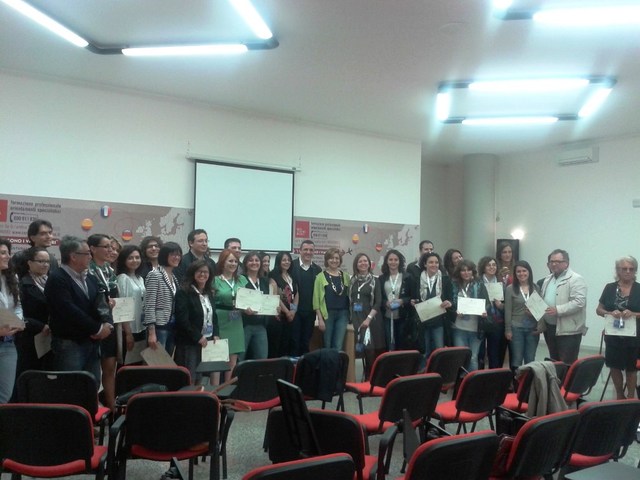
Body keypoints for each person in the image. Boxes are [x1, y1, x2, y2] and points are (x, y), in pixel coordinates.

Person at [44, 236, 113, 387]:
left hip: (92, 342)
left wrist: (108, 323)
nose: (90, 257)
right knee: (70, 387)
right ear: (73, 256)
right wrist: (97, 329)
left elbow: (102, 303)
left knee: (92, 385)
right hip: (70, 343)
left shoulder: (90, 278)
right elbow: (69, 310)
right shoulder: (57, 278)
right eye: (87, 253)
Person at [596, 256, 640, 399]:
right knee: (614, 366)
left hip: (634, 336)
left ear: (635, 271)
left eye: (631, 269)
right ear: (618, 270)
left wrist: (633, 314)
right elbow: (599, 310)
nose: (628, 271)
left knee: (631, 368)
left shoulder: (639, 289)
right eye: (624, 269)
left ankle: (631, 397)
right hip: (613, 334)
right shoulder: (609, 288)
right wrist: (609, 313)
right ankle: (620, 396)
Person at [87, 234, 118, 412]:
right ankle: (93, 408)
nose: (110, 250)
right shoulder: (88, 270)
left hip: (110, 322)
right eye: (106, 247)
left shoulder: (109, 269)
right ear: (92, 249)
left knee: (110, 367)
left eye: (111, 247)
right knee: (93, 371)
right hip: (94, 325)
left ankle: (112, 407)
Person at [174, 260, 219, 383]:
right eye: (199, 271)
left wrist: (216, 333)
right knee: (190, 377)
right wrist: (198, 337)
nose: (203, 274)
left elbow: (214, 315)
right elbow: (182, 319)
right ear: (192, 273)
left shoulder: (208, 292)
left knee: (202, 377)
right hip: (190, 342)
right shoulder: (184, 292)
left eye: (206, 272)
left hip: (207, 340)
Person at [540, 249, 587, 364]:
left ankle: (567, 377)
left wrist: (558, 309)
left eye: (557, 261)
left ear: (566, 263)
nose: (554, 264)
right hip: (550, 327)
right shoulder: (548, 279)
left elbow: (579, 302)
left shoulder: (576, 279)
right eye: (551, 261)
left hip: (568, 330)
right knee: (554, 361)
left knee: (567, 363)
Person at [15, 247, 52, 389]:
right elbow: (18, 314)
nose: (45, 265)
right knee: (30, 376)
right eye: (40, 261)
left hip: (51, 336)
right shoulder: (22, 284)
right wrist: (39, 326)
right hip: (29, 336)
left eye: (47, 261)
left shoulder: (52, 281)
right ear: (29, 263)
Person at [409, 252, 453, 361]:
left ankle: (438, 370)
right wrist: (412, 301)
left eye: (436, 262)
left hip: (439, 321)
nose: (434, 265)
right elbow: (413, 297)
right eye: (431, 262)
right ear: (425, 264)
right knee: (425, 351)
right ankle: (425, 371)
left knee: (439, 350)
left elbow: (450, 298)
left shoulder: (445, 279)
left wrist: (449, 302)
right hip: (423, 321)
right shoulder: (417, 279)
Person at [214, 249, 248, 380]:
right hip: (220, 319)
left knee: (232, 360)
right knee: (218, 359)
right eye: (230, 261)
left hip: (236, 320)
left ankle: (227, 390)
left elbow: (247, 300)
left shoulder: (242, 280)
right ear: (222, 262)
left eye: (235, 261)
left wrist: (249, 309)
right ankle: (215, 389)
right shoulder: (214, 280)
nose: (233, 264)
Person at [451, 260, 490, 371]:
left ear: (473, 272)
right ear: (459, 272)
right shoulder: (454, 285)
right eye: (463, 270)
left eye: (468, 270)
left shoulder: (480, 285)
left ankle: (472, 380)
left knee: (473, 358)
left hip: (475, 328)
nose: (466, 273)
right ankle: (461, 380)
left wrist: (484, 311)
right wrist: (455, 311)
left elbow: (487, 303)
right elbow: (450, 304)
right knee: (460, 357)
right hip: (459, 327)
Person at [144, 242, 182, 355]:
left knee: (167, 360)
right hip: (159, 327)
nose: (176, 257)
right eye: (173, 254)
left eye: (178, 255)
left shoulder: (174, 277)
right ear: (164, 255)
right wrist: (151, 332)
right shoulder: (155, 275)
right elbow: (149, 304)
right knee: (157, 361)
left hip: (172, 326)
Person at [505, 261, 541, 372]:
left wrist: (534, 314)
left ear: (529, 272)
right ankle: (516, 381)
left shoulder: (536, 287)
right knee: (517, 359)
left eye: (524, 271)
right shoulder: (510, 288)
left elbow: (539, 310)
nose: (522, 274)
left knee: (530, 359)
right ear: (515, 274)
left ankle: (528, 381)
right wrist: (508, 329)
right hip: (516, 328)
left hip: (532, 329)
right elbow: (508, 310)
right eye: (518, 271)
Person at [0, 238, 24, 403]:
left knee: (5, 395)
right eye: (2, 253)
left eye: (8, 252)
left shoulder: (11, 277)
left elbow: (17, 305)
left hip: (8, 342)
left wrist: (17, 322)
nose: (7, 256)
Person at [350, 253, 383, 372]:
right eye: (360, 261)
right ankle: (360, 376)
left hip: (369, 318)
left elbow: (378, 302)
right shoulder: (352, 281)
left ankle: (370, 375)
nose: (363, 263)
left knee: (369, 348)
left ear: (369, 264)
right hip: (355, 317)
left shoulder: (375, 280)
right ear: (356, 265)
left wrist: (368, 318)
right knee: (357, 348)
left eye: (365, 261)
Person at [313, 248, 350, 350]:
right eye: (331, 258)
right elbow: (316, 300)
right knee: (327, 344)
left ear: (340, 260)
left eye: (337, 258)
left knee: (338, 345)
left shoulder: (346, 276)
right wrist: (320, 319)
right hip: (327, 315)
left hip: (343, 314)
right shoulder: (320, 277)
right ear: (327, 260)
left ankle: (336, 361)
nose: (334, 260)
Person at [290, 240, 322, 355]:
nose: (308, 252)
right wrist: (292, 309)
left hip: (310, 312)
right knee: (294, 342)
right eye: (305, 249)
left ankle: (304, 365)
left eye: (311, 250)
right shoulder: (291, 266)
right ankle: (294, 365)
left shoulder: (318, 270)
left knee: (306, 342)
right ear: (300, 251)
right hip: (294, 311)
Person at [115, 245, 146, 355]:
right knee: (128, 361)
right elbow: (121, 308)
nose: (135, 260)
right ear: (124, 260)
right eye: (130, 258)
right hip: (129, 329)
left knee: (139, 360)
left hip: (141, 327)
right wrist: (128, 334)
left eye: (137, 257)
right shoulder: (122, 278)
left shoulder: (140, 278)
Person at [379, 249, 411, 350]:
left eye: (396, 260)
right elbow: (379, 297)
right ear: (386, 261)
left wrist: (402, 301)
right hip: (387, 316)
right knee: (390, 344)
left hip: (402, 316)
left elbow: (412, 296)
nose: (393, 262)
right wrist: (385, 303)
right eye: (390, 259)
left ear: (400, 261)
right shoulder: (381, 278)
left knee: (402, 344)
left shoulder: (407, 277)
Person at [268, 251, 298, 357]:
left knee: (287, 344)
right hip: (279, 316)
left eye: (289, 260)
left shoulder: (291, 275)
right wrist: (287, 312)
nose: (287, 262)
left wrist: (293, 310)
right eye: (284, 260)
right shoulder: (273, 275)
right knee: (277, 345)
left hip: (291, 316)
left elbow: (296, 294)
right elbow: (275, 295)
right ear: (279, 262)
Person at [478, 256, 506, 369]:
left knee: (494, 353)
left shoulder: (501, 283)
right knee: (479, 353)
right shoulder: (477, 282)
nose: (492, 267)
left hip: (496, 322)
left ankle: (493, 377)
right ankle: (479, 377)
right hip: (480, 321)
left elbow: (507, 304)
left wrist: (500, 305)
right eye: (488, 265)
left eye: (494, 265)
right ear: (483, 267)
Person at [242, 252, 269, 360]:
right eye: (251, 260)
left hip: (260, 325)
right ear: (246, 263)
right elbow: (237, 300)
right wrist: (243, 309)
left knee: (262, 357)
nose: (254, 263)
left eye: (257, 260)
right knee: (240, 357)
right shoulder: (241, 279)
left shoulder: (264, 280)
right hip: (245, 324)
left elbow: (267, 299)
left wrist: (274, 308)